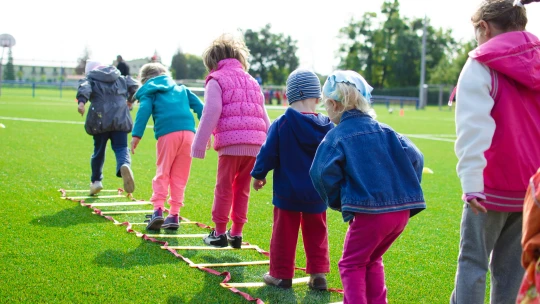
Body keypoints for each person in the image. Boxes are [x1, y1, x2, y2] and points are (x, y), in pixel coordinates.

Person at [451, 1, 540, 303]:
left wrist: (471, 183)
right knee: (512, 269)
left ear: (484, 28)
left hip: (490, 186)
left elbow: (472, 129)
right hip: (532, 188)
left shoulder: (480, 63)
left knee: (473, 263)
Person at [310, 70, 425, 303]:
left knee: (351, 263)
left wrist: (339, 201)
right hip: (401, 214)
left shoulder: (337, 135)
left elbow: (320, 173)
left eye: (326, 105)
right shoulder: (388, 130)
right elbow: (416, 157)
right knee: (371, 259)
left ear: (333, 104)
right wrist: (404, 189)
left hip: (371, 215)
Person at [251, 69, 334, 290]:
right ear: (317, 98)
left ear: (288, 96)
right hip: (318, 193)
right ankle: (318, 275)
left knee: (283, 233)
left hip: (287, 192)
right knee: (317, 232)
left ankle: (281, 275)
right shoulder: (328, 126)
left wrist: (259, 174)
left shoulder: (282, 123)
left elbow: (267, 153)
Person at [191, 34, 270, 248]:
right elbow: (264, 116)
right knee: (242, 189)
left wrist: (199, 143)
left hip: (231, 144)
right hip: (255, 145)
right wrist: (270, 149)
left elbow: (211, 111)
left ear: (213, 62)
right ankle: (236, 233)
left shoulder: (216, 79)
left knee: (223, 187)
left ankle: (218, 233)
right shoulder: (252, 81)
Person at [131, 63, 203, 230]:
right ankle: (174, 215)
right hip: (189, 135)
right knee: (180, 175)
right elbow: (202, 108)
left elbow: (144, 111)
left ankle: (157, 211)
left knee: (163, 171)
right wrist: (207, 131)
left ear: (144, 80)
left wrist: (136, 135)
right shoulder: (182, 89)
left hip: (168, 134)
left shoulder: (150, 91)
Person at [76, 60, 139, 195]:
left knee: (99, 151)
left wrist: (81, 102)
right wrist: (130, 100)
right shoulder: (120, 77)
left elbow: (84, 87)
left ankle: (96, 181)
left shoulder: (91, 79)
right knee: (121, 148)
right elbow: (135, 86)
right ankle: (124, 165)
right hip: (120, 118)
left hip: (100, 119)